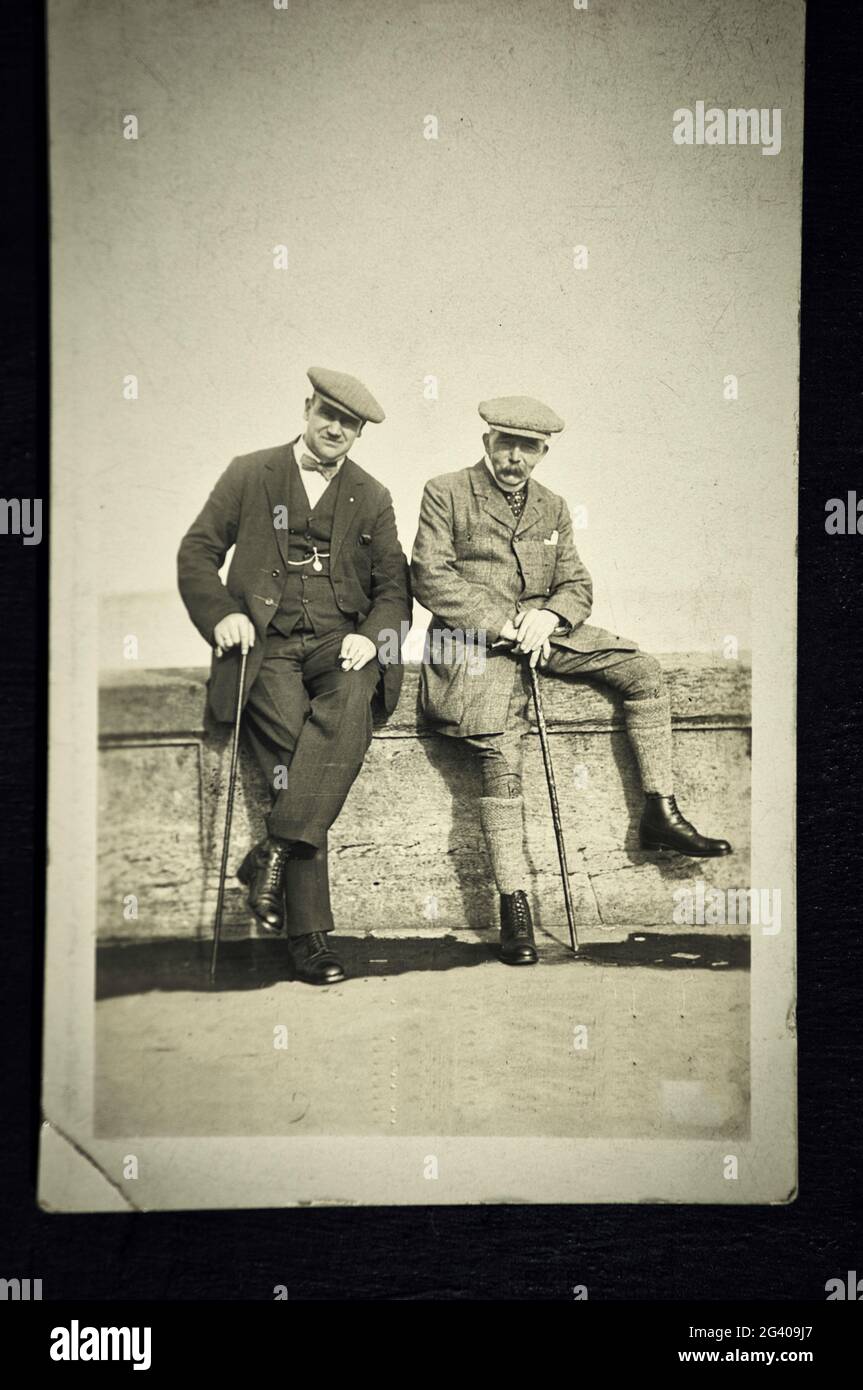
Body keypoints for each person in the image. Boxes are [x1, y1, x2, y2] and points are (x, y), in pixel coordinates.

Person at [410, 395, 731, 965]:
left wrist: (552, 616)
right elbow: (431, 578)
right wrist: (506, 622)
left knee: (643, 671)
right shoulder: (446, 491)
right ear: (487, 443)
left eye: (527, 447)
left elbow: (577, 582)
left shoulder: (553, 507)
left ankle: (660, 809)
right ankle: (515, 907)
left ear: (542, 452)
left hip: (543, 633)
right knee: (499, 755)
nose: (515, 456)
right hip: (474, 644)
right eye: (505, 443)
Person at [178, 367, 411, 983]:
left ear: (359, 433)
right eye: (327, 415)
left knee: (357, 691)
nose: (336, 429)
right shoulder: (249, 471)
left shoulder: (374, 494)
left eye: (350, 423)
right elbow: (197, 551)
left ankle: (272, 852)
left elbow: (395, 589)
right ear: (307, 410)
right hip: (268, 647)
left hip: (340, 642)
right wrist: (223, 615)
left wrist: (371, 635)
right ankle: (310, 939)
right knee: (296, 750)